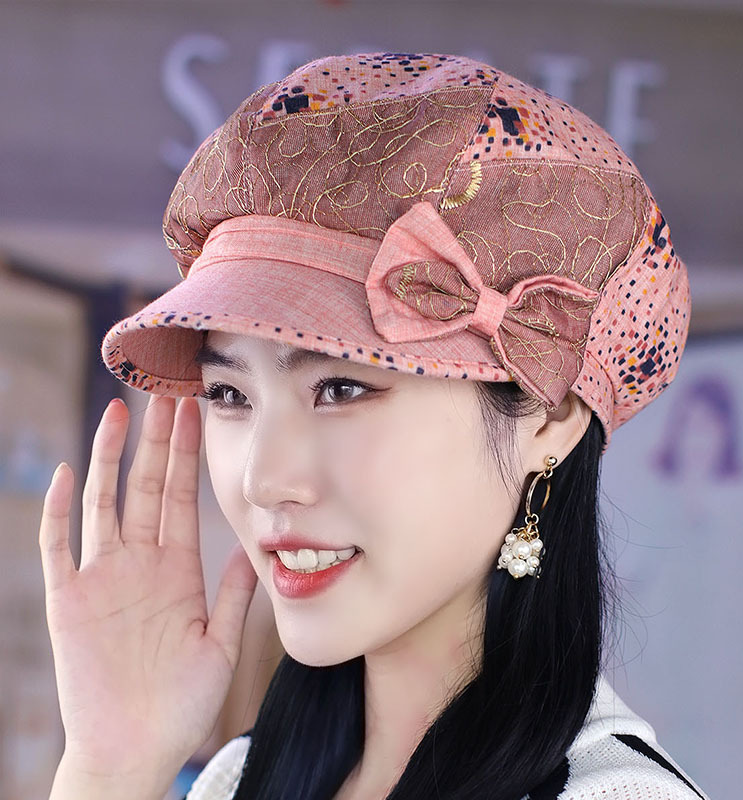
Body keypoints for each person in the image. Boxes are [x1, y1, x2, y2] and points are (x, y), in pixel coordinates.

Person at [39, 53, 707, 799]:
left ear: (549, 415)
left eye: (341, 387)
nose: (262, 480)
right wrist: (114, 768)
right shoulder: (237, 780)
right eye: (229, 394)